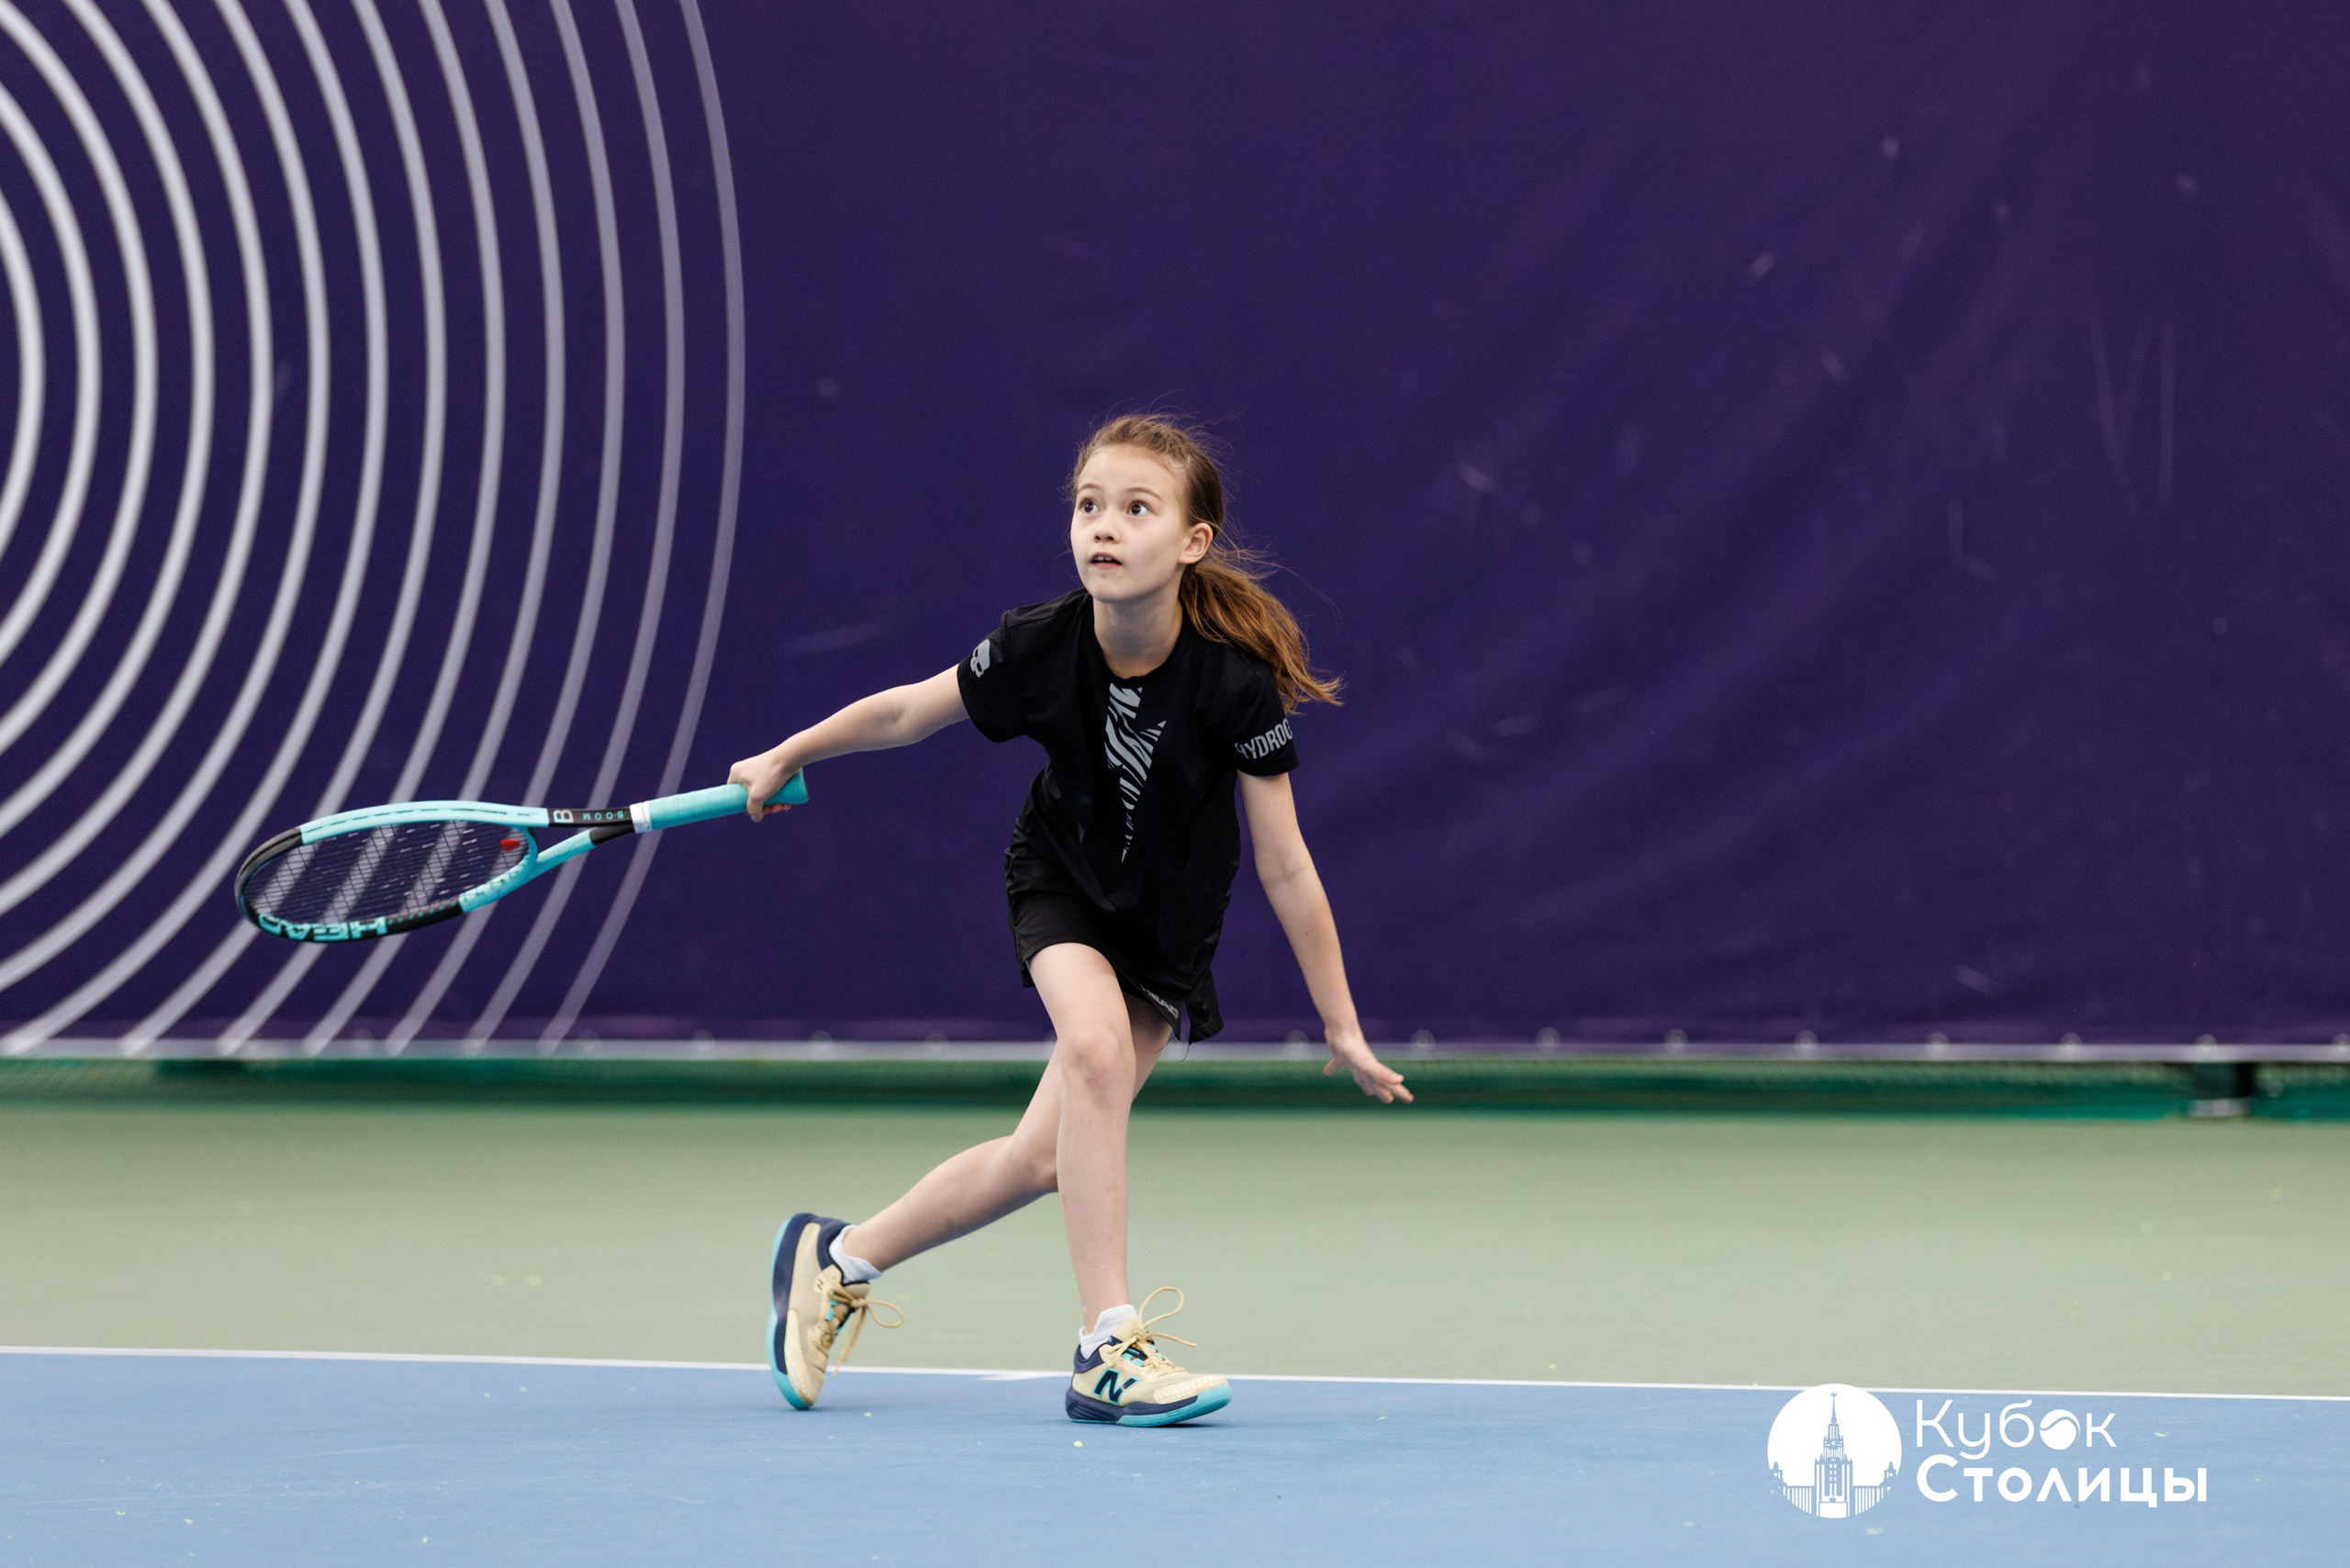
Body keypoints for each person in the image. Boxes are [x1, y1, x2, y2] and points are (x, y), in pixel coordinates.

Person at [728, 414, 1410, 1428]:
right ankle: (1106, 1345)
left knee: (1046, 1156)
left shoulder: (1232, 681)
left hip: (1166, 934)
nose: (1104, 526)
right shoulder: (1038, 644)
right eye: (1090, 505)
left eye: (1137, 509)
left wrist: (1340, 1019)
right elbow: (911, 710)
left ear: (1191, 542)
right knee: (1090, 1046)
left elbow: (1285, 862)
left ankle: (837, 1256)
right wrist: (790, 751)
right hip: (1061, 883)